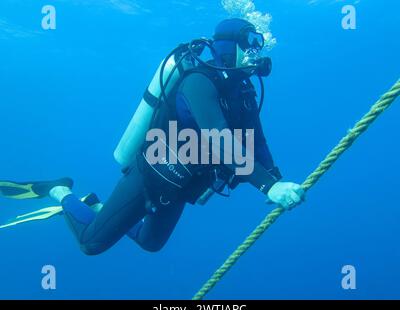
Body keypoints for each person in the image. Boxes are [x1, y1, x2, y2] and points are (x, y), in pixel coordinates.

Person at [0, 19, 305, 255]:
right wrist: (269, 185)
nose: (256, 52)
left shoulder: (243, 91)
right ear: (230, 45)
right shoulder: (198, 80)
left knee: (150, 242)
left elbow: (257, 141)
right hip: (152, 172)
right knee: (90, 244)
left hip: (185, 179)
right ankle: (59, 191)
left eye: (259, 45)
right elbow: (217, 137)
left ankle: (95, 206)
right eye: (250, 43)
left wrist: (275, 179)